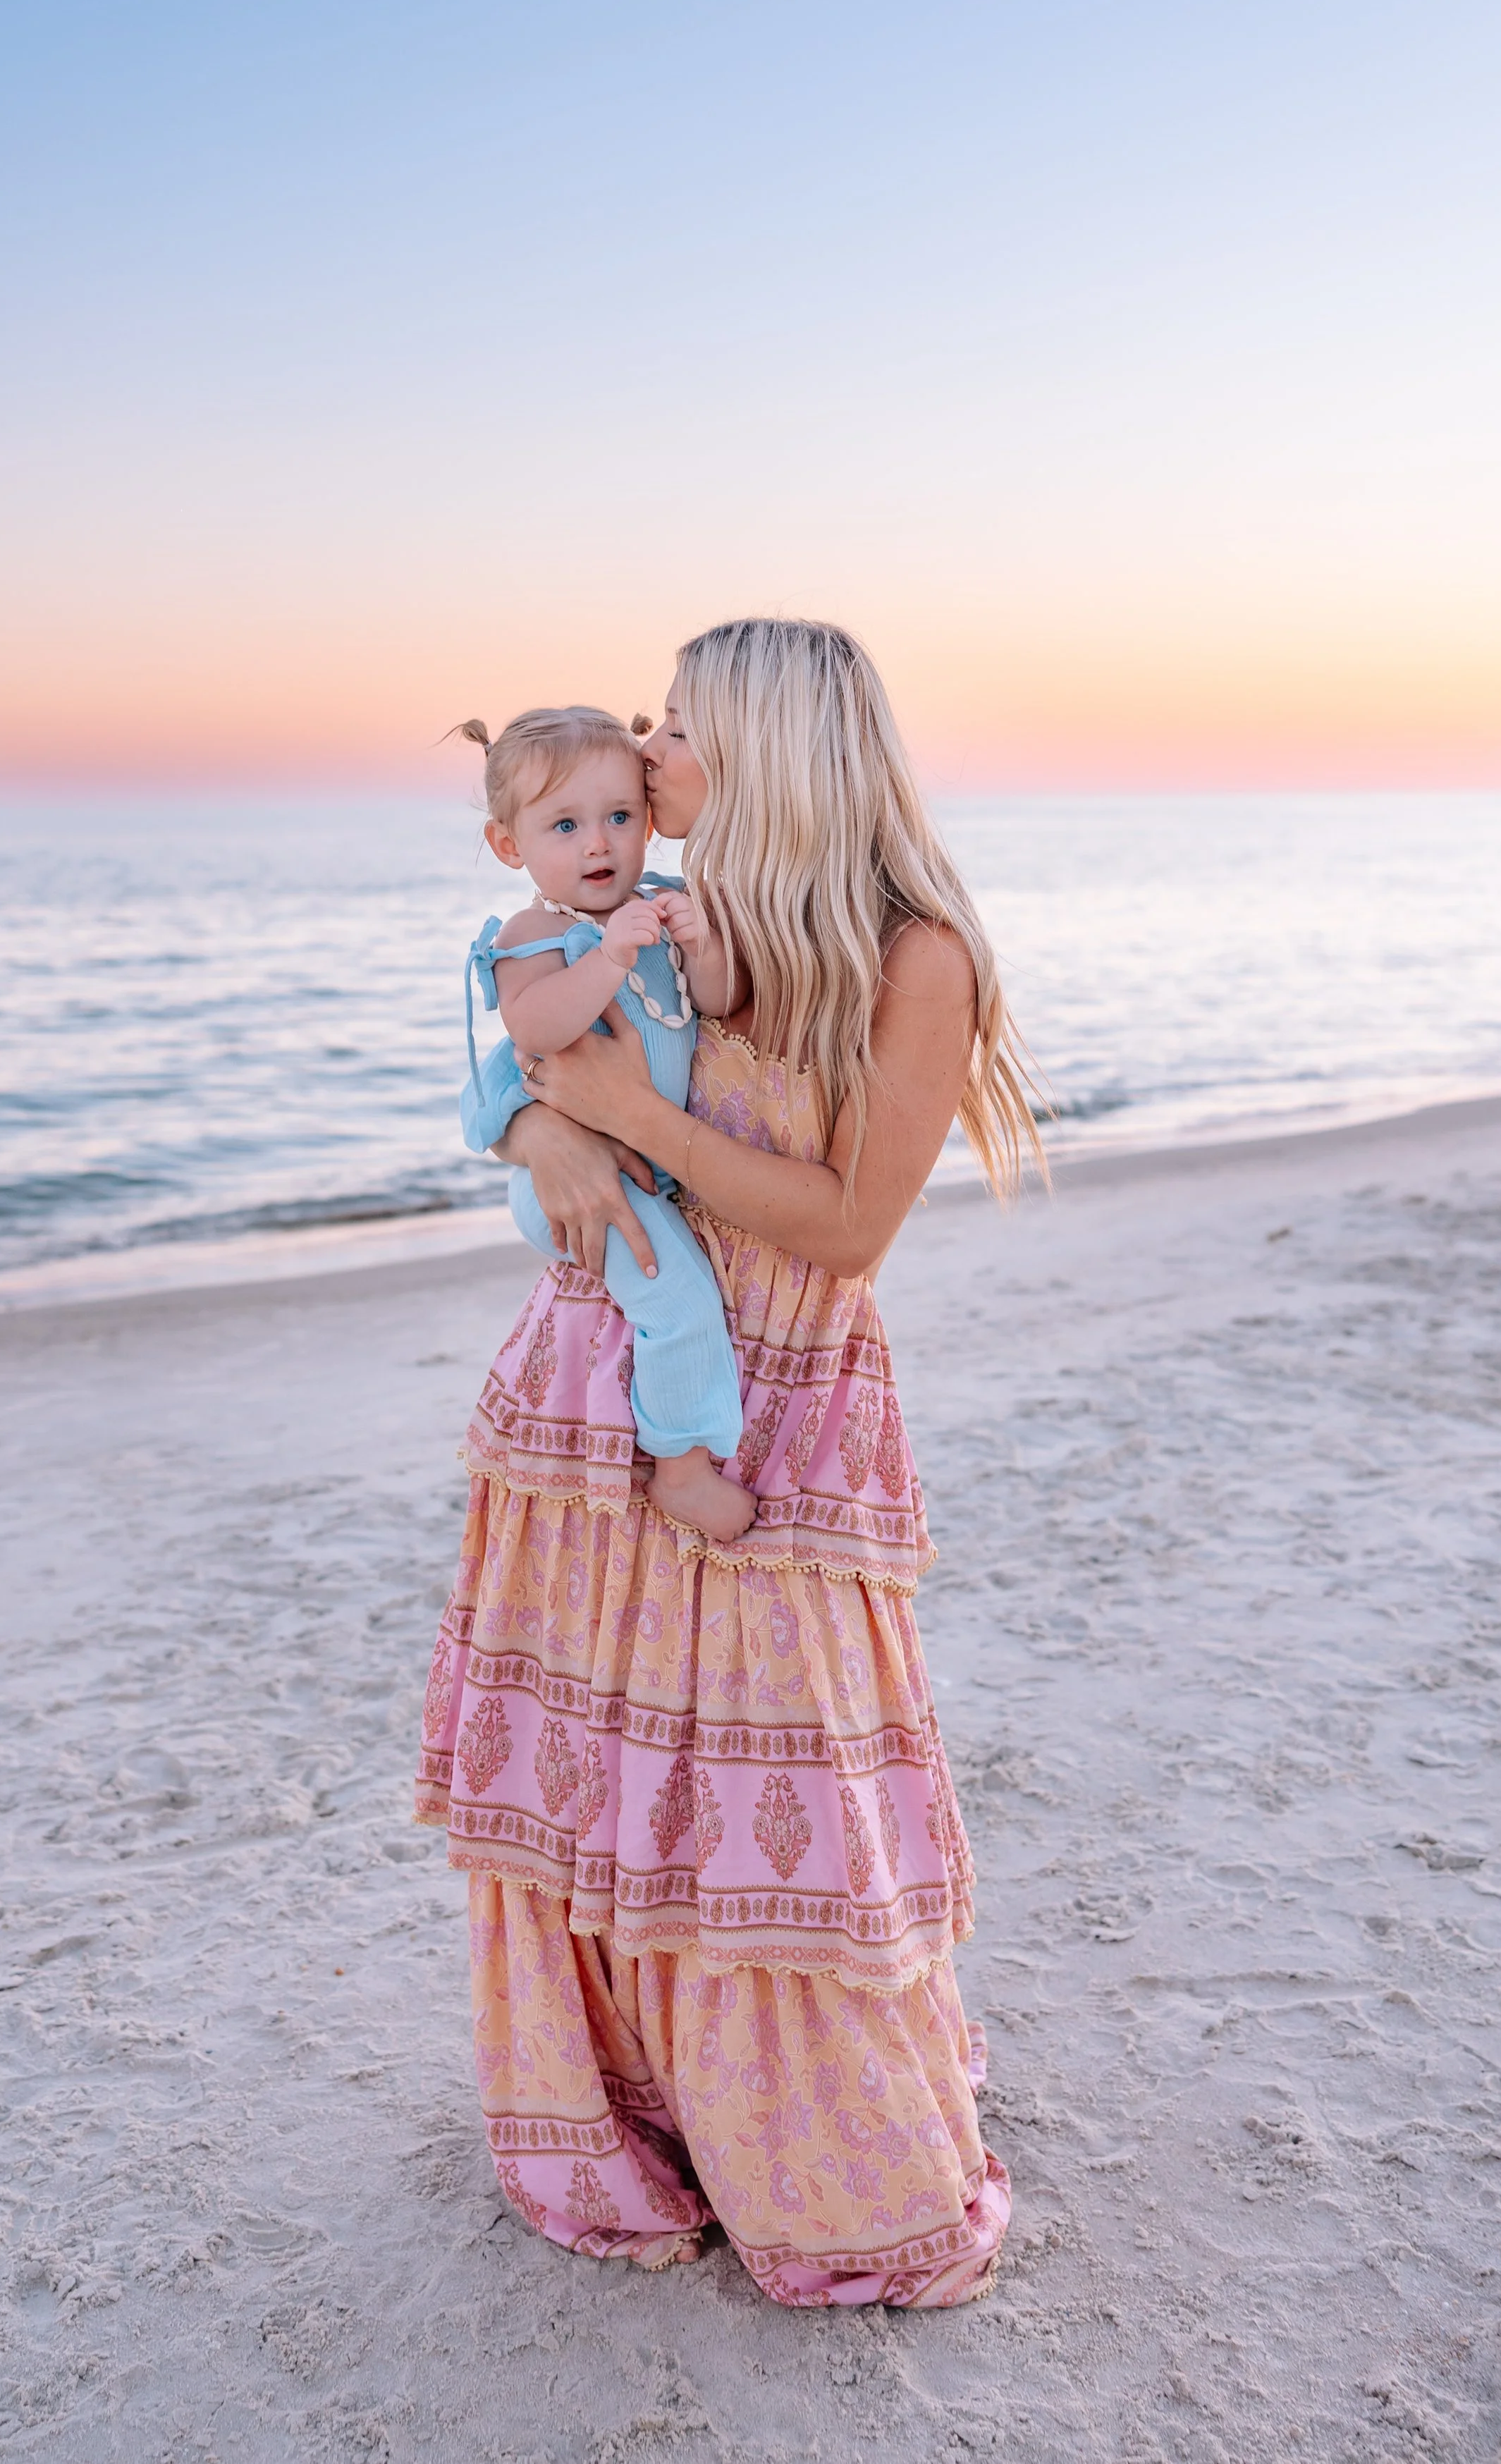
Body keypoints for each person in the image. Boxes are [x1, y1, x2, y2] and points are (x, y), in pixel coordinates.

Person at [416, 618, 1041, 2305]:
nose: (649, 745)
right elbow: (516, 1058)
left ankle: (812, 2149)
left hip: (781, 1396)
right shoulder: (661, 920)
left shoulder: (913, 955)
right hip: (585, 1383)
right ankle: (625, 2117)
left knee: (782, 1786)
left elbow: (848, 1230)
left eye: (677, 723)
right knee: (593, 1776)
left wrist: (618, 1119)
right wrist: (547, 1119)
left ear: (764, 747)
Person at [460, 704, 755, 1541]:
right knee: (679, 1300)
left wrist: (701, 950)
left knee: (670, 1292)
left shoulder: (664, 905)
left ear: (648, 821)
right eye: (565, 824)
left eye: (619, 817)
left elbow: (718, 1005)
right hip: (563, 1182)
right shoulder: (537, 934)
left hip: (649, 1164)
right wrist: (612, 957)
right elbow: (536, 1030)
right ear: (509, 846)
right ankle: (683, 1468)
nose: (599, 844)